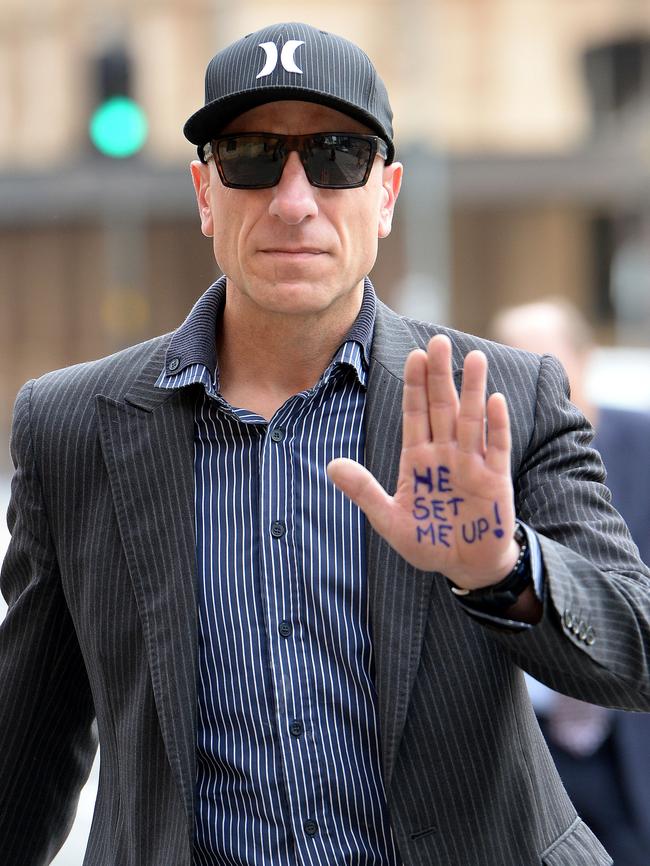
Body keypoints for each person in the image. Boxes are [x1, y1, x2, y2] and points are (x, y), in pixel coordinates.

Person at [0, 21, 649, 866]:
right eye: (252, 157)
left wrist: (503, 571)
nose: (294, 200)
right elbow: (27, 750)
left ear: (386, 193)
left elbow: (633, 650)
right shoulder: (72, 427)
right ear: (205, 192)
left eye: (338, 157)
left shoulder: (502, 396)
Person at [490, 298, 650, 866]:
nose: (526, 374)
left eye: (545, 359)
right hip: (524, 734)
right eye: (510, 358)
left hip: (626, 736)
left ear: (584, 360)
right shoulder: (482, 463)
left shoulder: (642, 444)